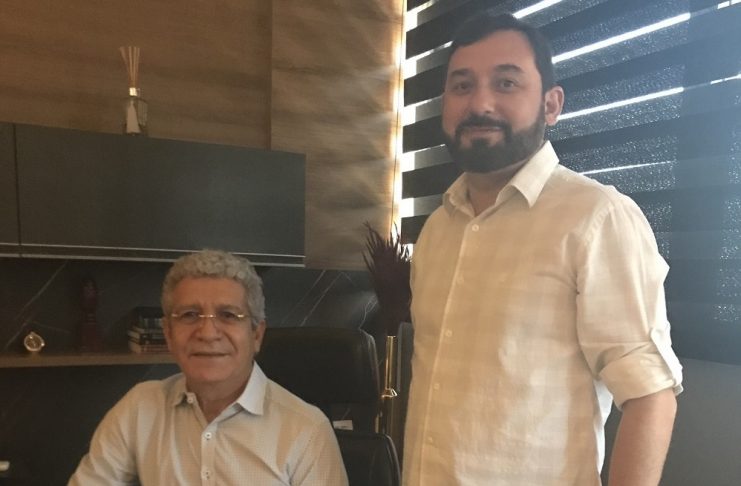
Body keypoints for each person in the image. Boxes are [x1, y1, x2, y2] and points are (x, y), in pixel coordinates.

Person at [403, 12, 683, 486]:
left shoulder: (596, 217)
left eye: (506, 83)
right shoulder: (436, 229)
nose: (480, 103)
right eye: (462, 86)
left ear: (551, 105)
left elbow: (649, 395)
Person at [69, 250, 348, 486]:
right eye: (190, 315)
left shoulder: (307, 431)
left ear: (256, 334)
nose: (207, 332)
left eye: (228, 315)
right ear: (168, 333)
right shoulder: (140, 408)